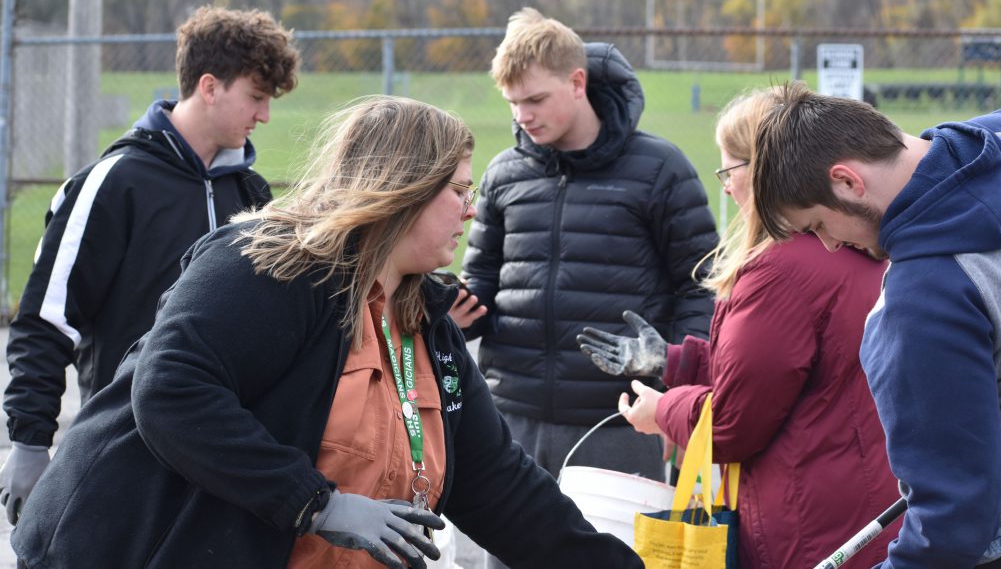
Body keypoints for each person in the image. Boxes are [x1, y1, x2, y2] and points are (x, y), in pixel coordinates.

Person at [11, 96, 644, 569]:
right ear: (400, 192)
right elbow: (172, 392)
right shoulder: (272, 265)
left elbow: (499, 485)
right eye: (455, 189)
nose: (471, 208)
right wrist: (315, 503)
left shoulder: (424, 323)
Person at [577, 84, 900, 568]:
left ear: (765, 169)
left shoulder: (780, 271)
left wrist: (663, 410)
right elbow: (797, 373)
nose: (725, 186)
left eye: (729, 170)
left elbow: (732, 425)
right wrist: (677, 361)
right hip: (856, 499)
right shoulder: (848, 245)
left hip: (809, 522)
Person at [0, 5, 300, 525]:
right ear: (209, 86)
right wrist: (29, 440)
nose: (265, 115)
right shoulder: (113, 184)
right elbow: (46, 322)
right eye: (256, 97)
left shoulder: (251, 194)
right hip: (124, 455)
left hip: (227, 465)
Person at [750, 85, 1001, 568]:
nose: (830, 246)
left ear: (847, 181)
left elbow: (951, 521)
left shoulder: (921, 301)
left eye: (817, 225)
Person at [455, 7, 718, 492]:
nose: (522, 116)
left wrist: (676, 399)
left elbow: (700, 288)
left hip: (618, 423)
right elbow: (483, 285)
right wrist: (456, 308)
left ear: (577, 82)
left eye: (535, 99)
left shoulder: (661, 169)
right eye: (513, 102)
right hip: (510, 422)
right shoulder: (502, 174)